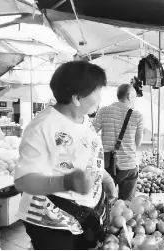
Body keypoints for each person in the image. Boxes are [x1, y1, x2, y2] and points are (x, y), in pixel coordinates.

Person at [14, 61, 117, 250]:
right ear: (77, 98)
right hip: (51, 223)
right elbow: (23, 181)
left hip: (83, 218)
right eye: (97, 92)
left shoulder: (84, 119)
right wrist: (66, 183)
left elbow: (87, 157)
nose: (100, 99)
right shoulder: (43, 127)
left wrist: (106, 178)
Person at [93, 84, 144, 201]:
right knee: (126, 205)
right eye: (135, 96)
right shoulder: (137, 116)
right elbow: (138, 143)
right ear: (129, 96)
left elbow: (91, 132)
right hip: (129, 165)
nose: (135, 100)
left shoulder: (103, 111)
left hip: (108, 165)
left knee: (105, 201)